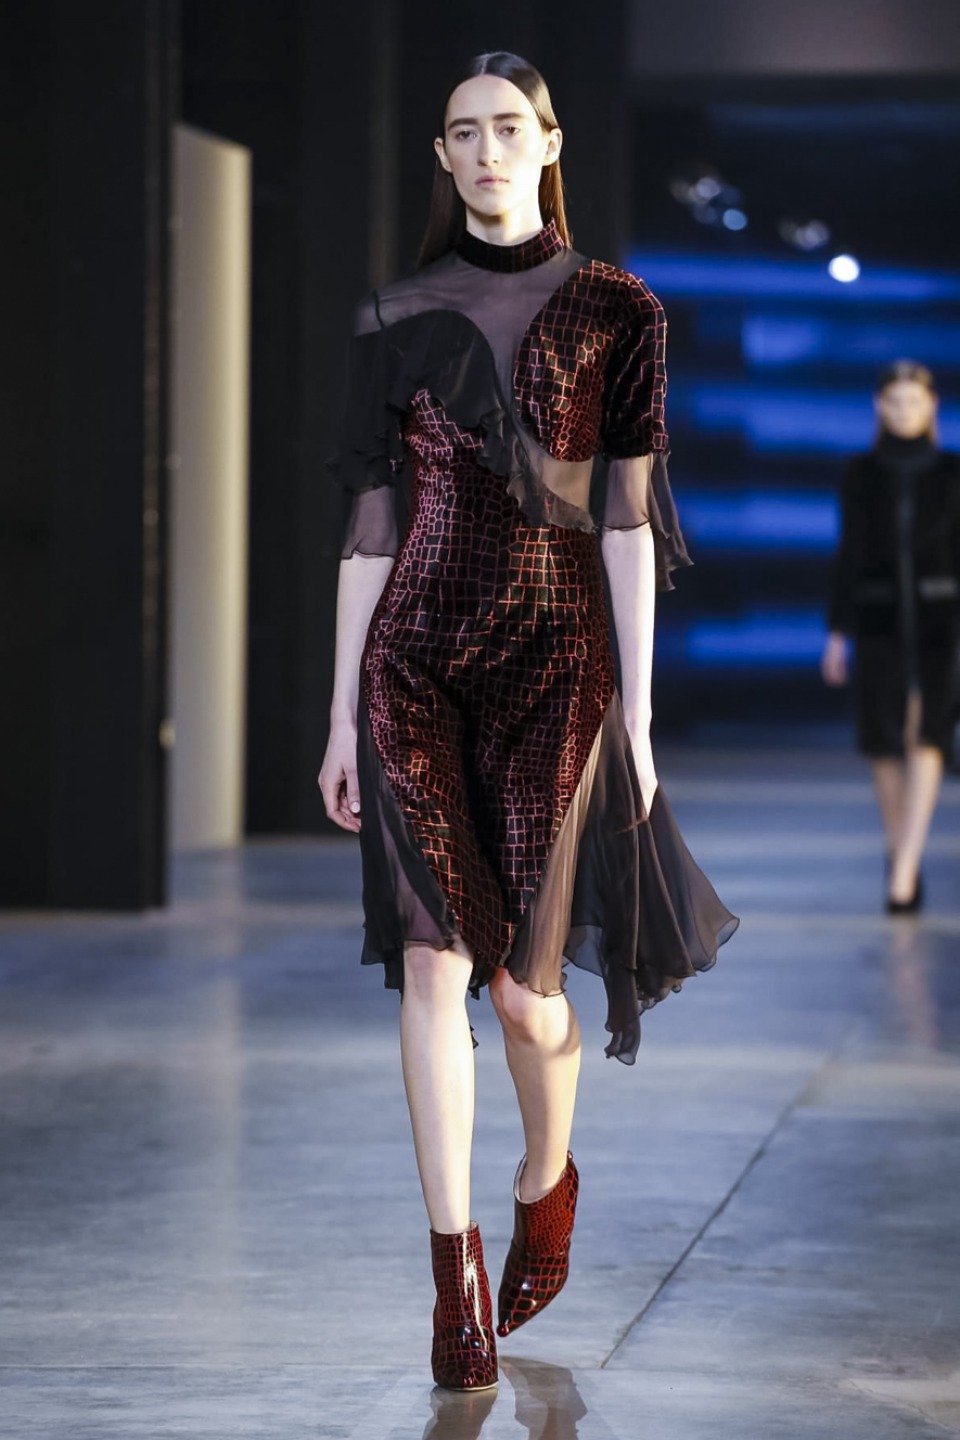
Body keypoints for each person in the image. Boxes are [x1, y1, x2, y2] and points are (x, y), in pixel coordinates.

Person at [319, 50, 737, 1392]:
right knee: (433, 965)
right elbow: (370, 528)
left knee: (522, 993)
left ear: (549, 142)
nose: (487, 148)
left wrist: (641, 717)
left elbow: (627, 523)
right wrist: (341, 717)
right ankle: (453, 1277)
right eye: (464, 132)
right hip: (416, 663)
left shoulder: (619, 308)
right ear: (442, 157)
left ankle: (544, 1175)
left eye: (510, 126)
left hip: (560, 664)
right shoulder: (396, 314)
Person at [822, 360, 960, 913]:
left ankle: (904, 868)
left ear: (932, 406)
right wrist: (837, 632)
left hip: (943, 618)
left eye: (914, 401)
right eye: (895, 401)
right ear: (880, 406)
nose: (904, 411)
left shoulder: (952, 473)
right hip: (877, 617)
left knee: (928, 734)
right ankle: (901, 846)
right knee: (883, 741)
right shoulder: (861, 473)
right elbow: (848, 554)